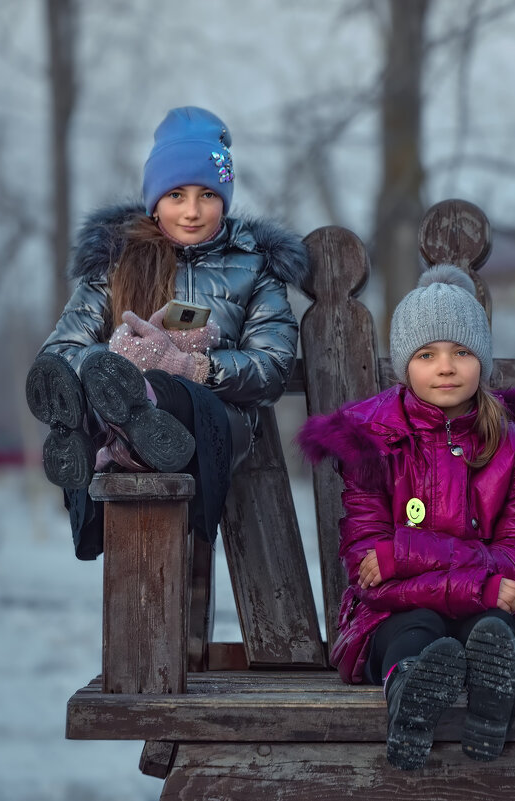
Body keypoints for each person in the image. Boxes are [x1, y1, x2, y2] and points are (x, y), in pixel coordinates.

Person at [298, 265, 515, 770]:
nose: (446, 367)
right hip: (394, 613)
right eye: (427, 354)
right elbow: (369, 569)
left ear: (481, 360)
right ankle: (409, 693)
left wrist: (408, 554)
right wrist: (478, 582)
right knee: (414, 629)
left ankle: (493, 700)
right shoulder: (370, 444)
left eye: (462, 352)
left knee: (497, 628)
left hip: (496, 611)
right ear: (404, 366)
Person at [26, 106, 309, 560]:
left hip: (217, 420)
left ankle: (124, 421)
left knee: (166, 388)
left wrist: (191, 367)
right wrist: (119, 353)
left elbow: (271, 367)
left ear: (225, 197)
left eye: (207, 195)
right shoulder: (118, 259)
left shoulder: (257, 266)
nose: (193, 211)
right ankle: (114, 429)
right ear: (155, 200)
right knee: (107, 374)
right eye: (176, 195)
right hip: (123, 404)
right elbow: (60, 351)